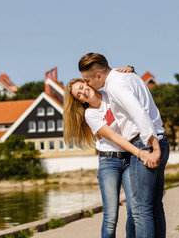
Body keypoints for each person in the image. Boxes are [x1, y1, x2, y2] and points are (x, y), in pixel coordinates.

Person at [78, 53, 170, 238]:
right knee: (154, 206)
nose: (87, 85)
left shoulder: (115, 86)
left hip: (145, 143)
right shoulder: (128, 76)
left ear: (98, 76)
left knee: (141, 210)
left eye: (87, 80)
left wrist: (153, 147)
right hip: (159, 138)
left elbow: (138, 113)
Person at [63, 78, 159, 238]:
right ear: (80, 100)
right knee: (111, 216)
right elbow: (114, 137)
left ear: (86, 83)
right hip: (109, 162)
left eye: (81, 87)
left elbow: (121, 83)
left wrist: (129, 69)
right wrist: (140, 153)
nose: (83, 93)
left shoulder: (110, 93)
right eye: (78, 95)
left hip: (129, 158)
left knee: (133, 209)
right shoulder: (90, 114)